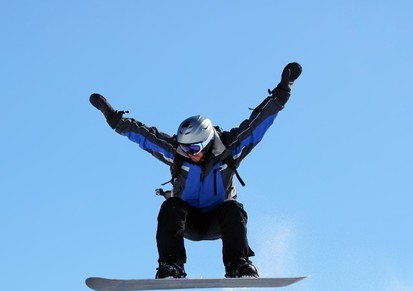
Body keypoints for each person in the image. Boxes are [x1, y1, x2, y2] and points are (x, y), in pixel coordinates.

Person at [89, 62, 302, 279]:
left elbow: (256, 125)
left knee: (234, 209)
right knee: (170, 206)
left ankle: (238, 265)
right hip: (187, 221)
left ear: (207, 142)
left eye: (194, 148)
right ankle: (171, 264)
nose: (189, 153)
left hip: (218, 221)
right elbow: (144, 136)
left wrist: (282, 94)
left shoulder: (229, 149)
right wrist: (115, 120)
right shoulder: (177, 154)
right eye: (184, 147)